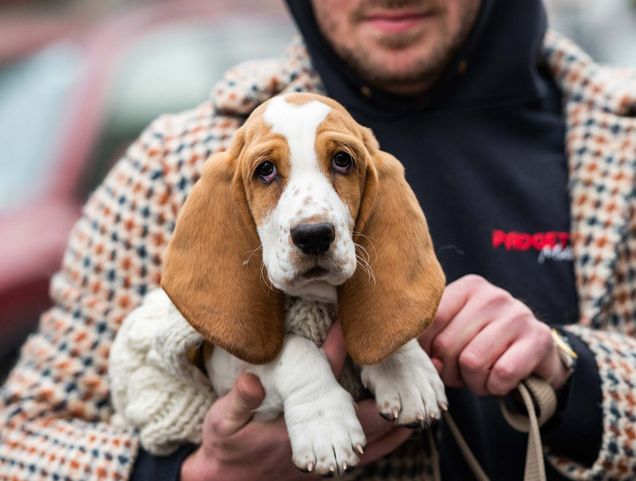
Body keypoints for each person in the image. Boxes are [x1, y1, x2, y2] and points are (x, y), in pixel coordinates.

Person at [1, 0, 635, 480]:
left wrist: (571, 371)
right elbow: (19, 443)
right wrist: (191, 472)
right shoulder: (175, 163)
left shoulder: (621, 147)